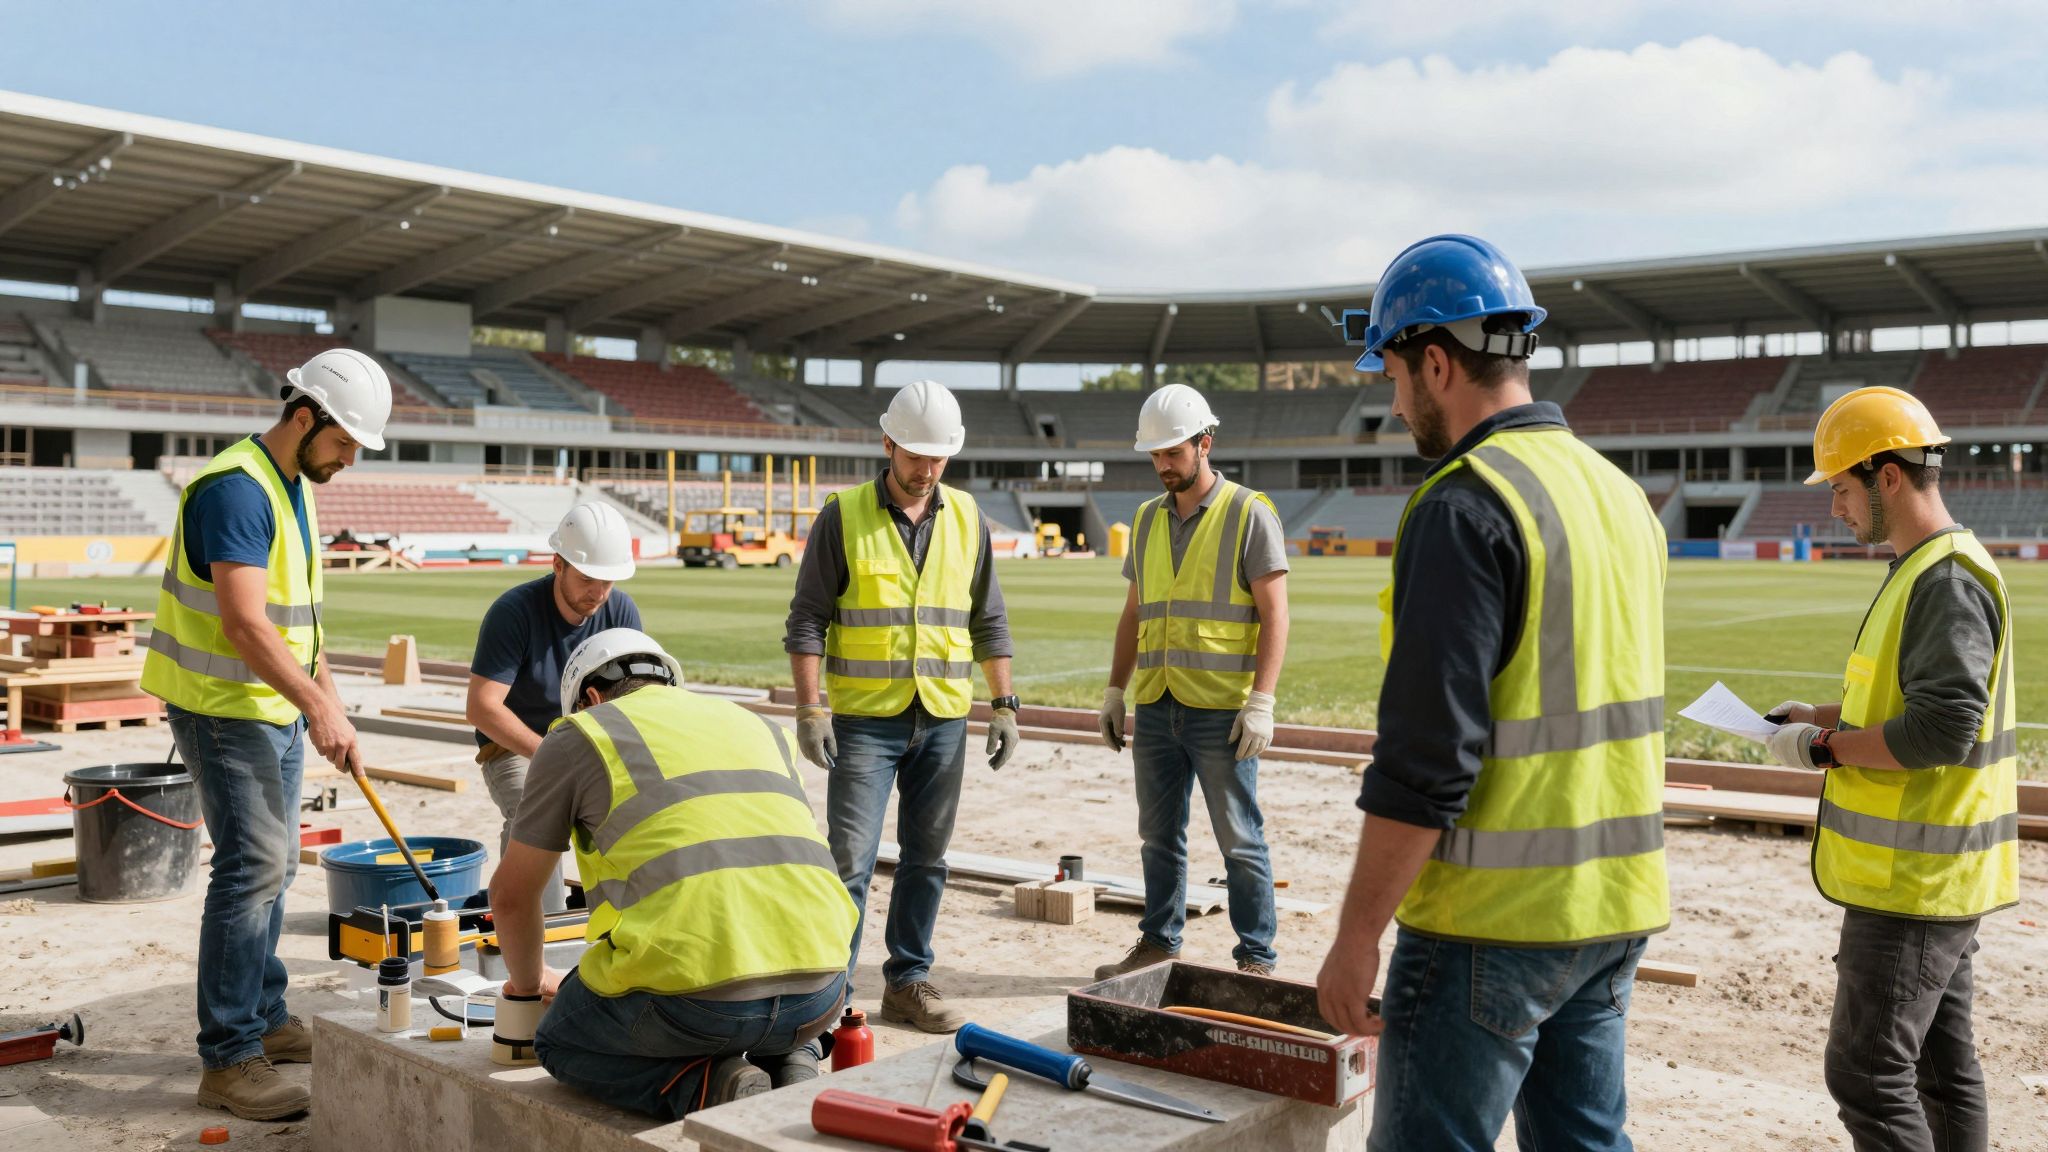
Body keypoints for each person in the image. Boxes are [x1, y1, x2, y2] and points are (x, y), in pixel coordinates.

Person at [1313, 235, 1669, 1152]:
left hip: (1489, 923)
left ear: (1437, 360)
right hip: (1613, 906)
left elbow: (1430, 762)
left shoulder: (1462, 503)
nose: (1393, 404)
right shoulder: (1619, 495)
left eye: (1393, 373)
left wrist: (1356, 940)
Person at [140, 347, 392, 1120]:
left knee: (278, 869)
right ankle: (228, 1056)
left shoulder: (294, 485)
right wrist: (319, 709)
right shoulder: (235, 490)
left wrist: (330, 696)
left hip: (271, 706)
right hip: (223, 708)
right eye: (345, 442)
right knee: (251, 870)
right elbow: (246, 624)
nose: (350, 459)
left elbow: (300, 620)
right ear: (305, 416)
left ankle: (265, 1017)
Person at [1764, 387, 2017, 1152]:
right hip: (1933, 873)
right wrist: (1824, 718)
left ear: (1889, 477)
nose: (1835, 507)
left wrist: (1824, 752)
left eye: (1842, 488)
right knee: (1942, 1071)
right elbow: (1914, 703)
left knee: (1869, 1077)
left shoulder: (1941, 579)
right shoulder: (1932, 568)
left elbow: (1943, 728)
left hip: (1913, 880)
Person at [490, 628, 857, 1119]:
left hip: (697, 1006)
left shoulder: (583, 733)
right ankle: (794, 1064)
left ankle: (711, 1086)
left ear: (591, 698)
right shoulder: (760, 727)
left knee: (560, 1042)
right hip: (823, 993)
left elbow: (513, 897)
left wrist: (531, 983)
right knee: (772, 996)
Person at [782, 378, 1019, 1033]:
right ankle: (827, 992)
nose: (926, 469)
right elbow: (808, 619)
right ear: (887, 443)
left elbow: (988, 618)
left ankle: (908, 981)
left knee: (927, 858)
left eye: (938, 458)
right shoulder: (844, 514)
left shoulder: (968, 517)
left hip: (943, 718)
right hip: (865, 722)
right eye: (915, 455)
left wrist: (1004, 704)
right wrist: (810, 709)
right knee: (849, 861)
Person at [1093, 383, 1290, 979]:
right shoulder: (1148, 519)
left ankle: (1256, 957)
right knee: (1158, 837)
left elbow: (1276, 613)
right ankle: (1159, 941)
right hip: (1156, 703)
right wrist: (1114, 690)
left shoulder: (1248, 511)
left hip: (1221, 709)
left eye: (1172, 453)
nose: (1162, 465)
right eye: (1154, 455)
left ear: (1205, 443)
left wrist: (1262, 701)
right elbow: (1135, 612)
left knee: (1240, 841)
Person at [467, 501, 641, 912]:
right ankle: (534, 930)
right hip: (515, 745)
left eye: (608, 582)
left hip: (590, 741)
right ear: (558, 564)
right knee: (537, 813)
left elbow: (636, 698)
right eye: (588, 579)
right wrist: (549, 755)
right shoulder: (514, 613)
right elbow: (481, 707)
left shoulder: (620, 610)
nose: (598, 594)